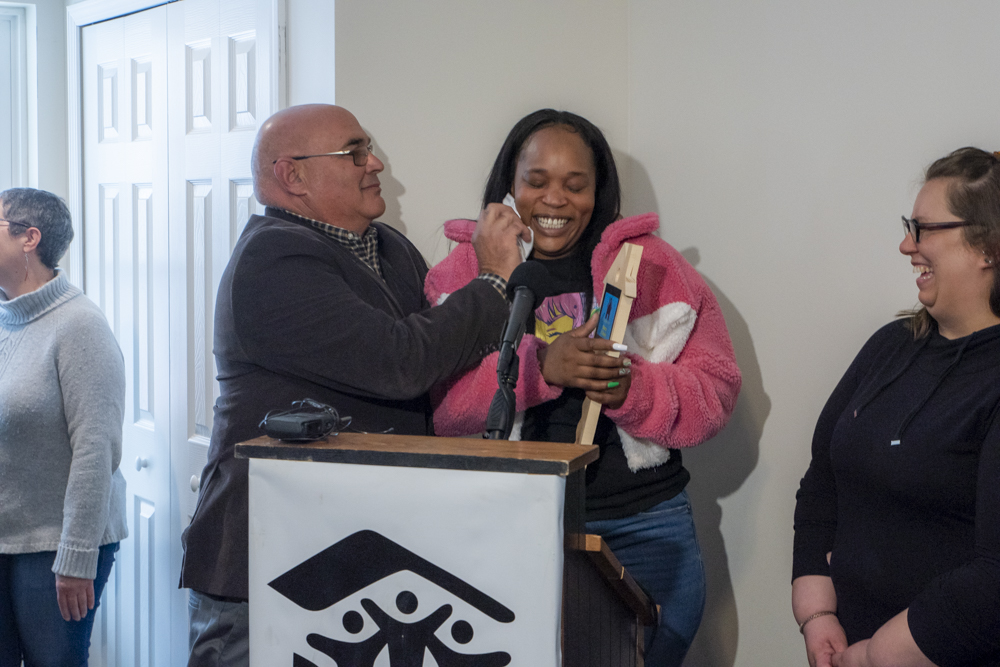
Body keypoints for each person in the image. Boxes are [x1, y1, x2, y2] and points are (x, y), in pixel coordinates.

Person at [179, 104, 528, 667]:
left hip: (360, 550)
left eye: (369, 148)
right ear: (292, 176)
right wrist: (491, 281)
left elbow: (439, 358)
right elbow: (401, 361)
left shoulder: (392, 247)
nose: (377, 163)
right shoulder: (272, 259)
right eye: (355, 152)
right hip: (267, 559)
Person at [424, 109, 742, 666]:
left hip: (645, 523)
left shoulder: (652, 267)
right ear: (509, 184)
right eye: (536, 181)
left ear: (600, 193)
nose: (555, 200)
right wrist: (543, 367)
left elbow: (715, 394)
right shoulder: (460, 273)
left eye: (576, 185)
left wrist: (629, 388)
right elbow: (445, 412)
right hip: (513, 521)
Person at [792, 148, 1000, 667]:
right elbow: (822, 481)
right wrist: (816, 612)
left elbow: (995, 576)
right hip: (846, 643)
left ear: (987, 246)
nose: (906, 244)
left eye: (924, 228)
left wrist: (874, 657)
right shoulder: (890, 346)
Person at [0, 188, 126, 667]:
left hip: (55, 548)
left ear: (29, 238)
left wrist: (77, 558)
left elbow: (96, 451)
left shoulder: (79, 327)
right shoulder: (6, 317)